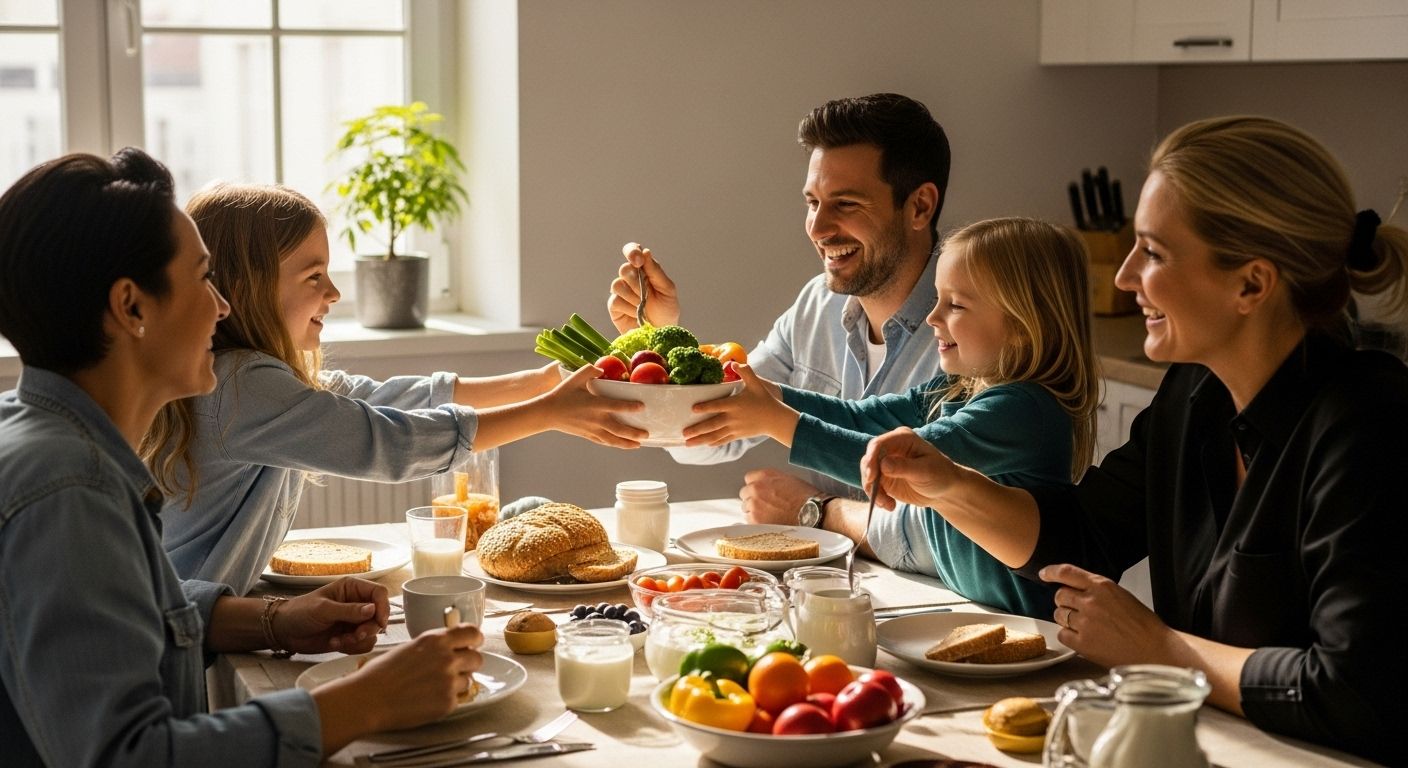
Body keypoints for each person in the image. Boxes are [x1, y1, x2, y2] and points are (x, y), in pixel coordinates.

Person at [860, 116, 1408, 763]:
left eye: (1152, 252)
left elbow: (1354, 691)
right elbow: (1083, 536)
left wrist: (1163, 649)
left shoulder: (1368, 423)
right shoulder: (1193, 395)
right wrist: (948, 484)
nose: (1122, 277)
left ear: (1251, 284)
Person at [0, 149, 484, 767]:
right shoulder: (69, 489)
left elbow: (128, 611)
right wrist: (366, 702)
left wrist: (276, 620)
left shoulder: (46, 439)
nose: (223, 306)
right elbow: (128, 757)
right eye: (203, 278)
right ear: (132, 308)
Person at [144, 183, 644, 594]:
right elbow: (383, 441)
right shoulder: (240, 389)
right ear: (251, 286)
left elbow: (378, 398)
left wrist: (538, 384)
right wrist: (546, 413)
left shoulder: (253, 374)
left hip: (200, 615)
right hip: (181, 629)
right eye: (314, 275)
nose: (334, 293)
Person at [685, 218, 1098, 617]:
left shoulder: (1023, 411)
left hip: (1034, 634)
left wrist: (774, 420)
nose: (933, 318)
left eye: (955, 305)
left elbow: (896, 464)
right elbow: (860, 419)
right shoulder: (957, 389)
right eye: (936, 299)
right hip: (973, 610)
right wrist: (767, 396)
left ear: (1023, 326)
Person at [608, 92, 950, 532]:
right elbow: (706, 437)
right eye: (812, 202)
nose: (818, 228)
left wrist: (817, 512)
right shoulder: (817, 305)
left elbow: (952, 530)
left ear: (919, 206)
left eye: (845, 204)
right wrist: (660, 345)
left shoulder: (974, 328)